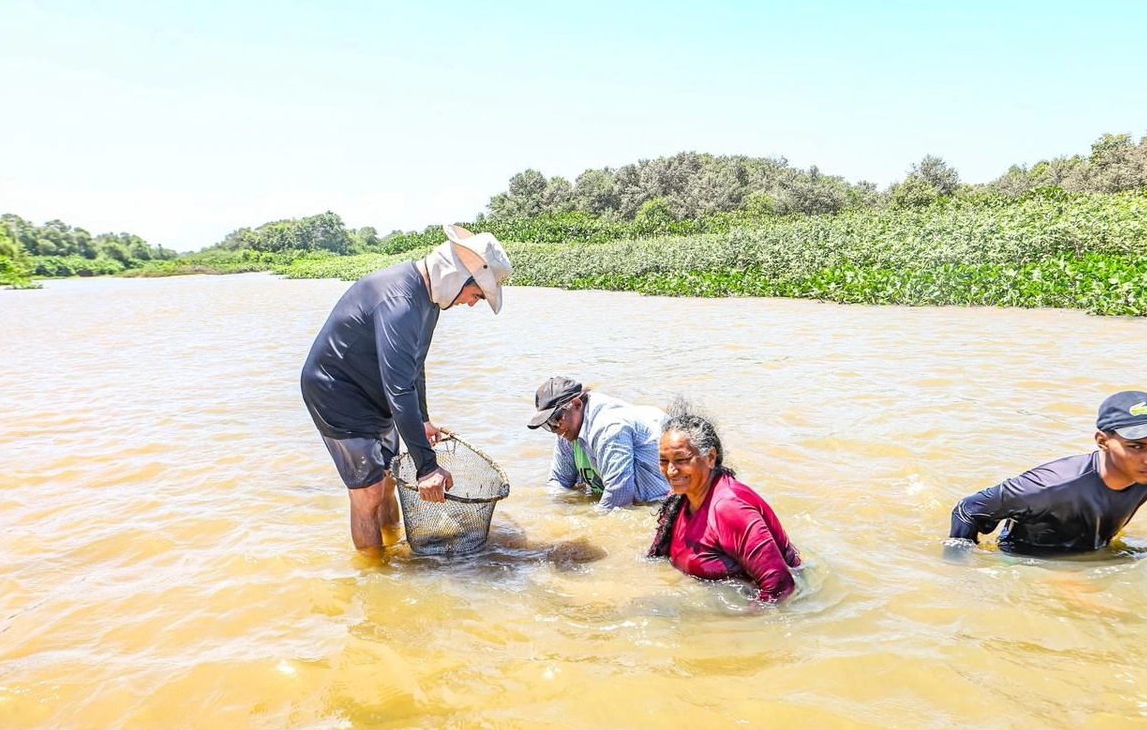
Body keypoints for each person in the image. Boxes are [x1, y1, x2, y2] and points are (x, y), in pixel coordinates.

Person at [301, 225, 512, 553]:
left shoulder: (428, 300)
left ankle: (395, 549)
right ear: (458, 276)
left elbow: (416, 365)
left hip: (377, 392)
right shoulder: (400, 301)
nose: (472, 304)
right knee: (368, 491)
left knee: (387, 478)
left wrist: (423, 420)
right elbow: (399, 388)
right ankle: (375, 575)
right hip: (336, 392)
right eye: (477, 295)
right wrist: (427, 468)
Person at [948, 390, 1147, 553]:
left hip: (1097, 552)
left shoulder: (1145, 471)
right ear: (1102, 441)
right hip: (1028, 561)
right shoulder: (1050, 485)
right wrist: (960, 564)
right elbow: (967, 509)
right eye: (1136, 446)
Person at [647, 401, 800, 600]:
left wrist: (736, 628)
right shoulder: (678, 499)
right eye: (664, 461)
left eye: (681, 460)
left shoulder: (729, 508)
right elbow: (654, 558)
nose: (671, 471)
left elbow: (780, 587)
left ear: (710, 457)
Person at [526, 376, 670, 509]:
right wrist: (558, 512)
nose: (554, 429)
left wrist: (588, 524)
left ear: (576, 404)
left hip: (662, 499)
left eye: (554, 419)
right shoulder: (566, 430)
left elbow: (620, 494)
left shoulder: (607, 428)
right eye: (547, 424)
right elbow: (559, 481)